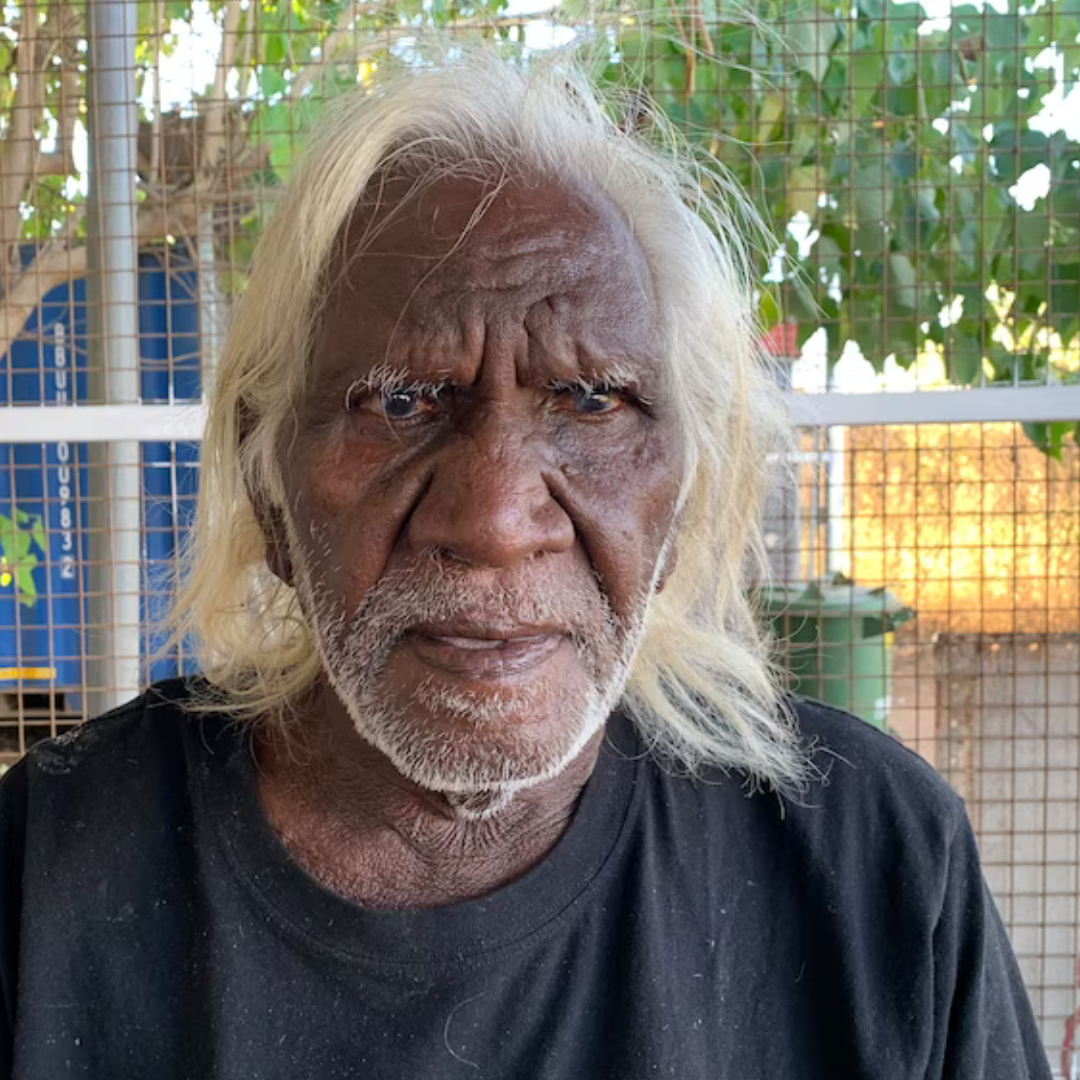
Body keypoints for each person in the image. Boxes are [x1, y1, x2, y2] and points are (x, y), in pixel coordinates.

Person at [0, 51, 1051, 1079]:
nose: (497, 520)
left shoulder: (878, 873)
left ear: (684, 488)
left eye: (593, 401)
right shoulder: (43, 879)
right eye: (400, 401)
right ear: (266, 479)